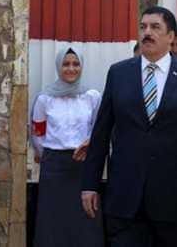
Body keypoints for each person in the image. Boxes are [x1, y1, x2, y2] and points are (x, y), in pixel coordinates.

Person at [81, 6, 177, 247]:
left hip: (174, 199)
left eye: (155, 27)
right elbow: (101, 132)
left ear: (171, 36)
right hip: (125, 197)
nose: (147, 33)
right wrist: (90, 184)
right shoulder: (119, 73)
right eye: (143, 27)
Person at [31, 47, 104, 247]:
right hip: (54, 167)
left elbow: (99, 130)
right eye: (66, 64)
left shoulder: (92, 96)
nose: (71, 69)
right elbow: (38, 135)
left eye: (75, 64)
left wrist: (89, 148)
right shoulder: (45, 98)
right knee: (52, 220)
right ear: (58, 66)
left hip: (84, 167)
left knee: (85, 219)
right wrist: (49, 155)